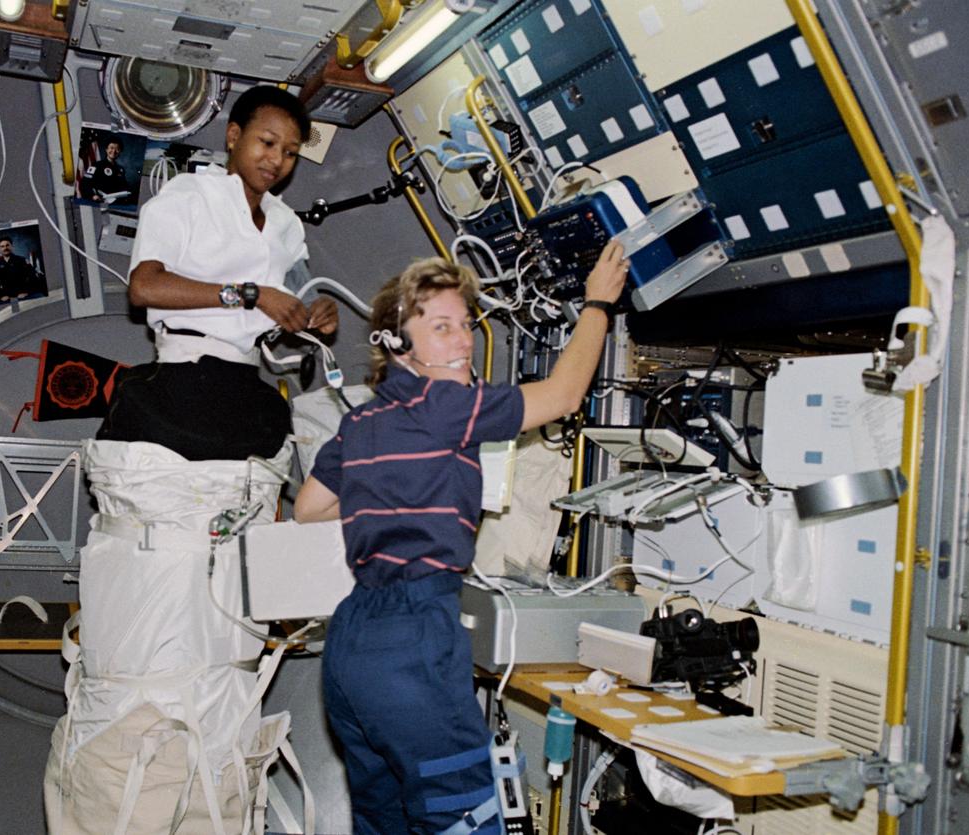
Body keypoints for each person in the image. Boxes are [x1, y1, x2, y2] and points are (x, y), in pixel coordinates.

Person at [293, 244, 628, 833]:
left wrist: (392, 488)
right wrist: (598, 302)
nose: (463, 341)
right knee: (464, 818)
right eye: (440, 328)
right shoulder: (448, 405)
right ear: (397, 344)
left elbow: (309, 508)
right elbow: (564, 395)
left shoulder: (362, 421)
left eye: (466, 326)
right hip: (414, 639)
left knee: (385, 820)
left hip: (352, 646)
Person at [109, 84, 338, 459]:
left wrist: (318, 312)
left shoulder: (287, 224)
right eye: (267, 142)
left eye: (290, 153)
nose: (276, 160)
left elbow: (304, 292)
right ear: (234, 136)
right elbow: (144, 287)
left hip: (245, 381)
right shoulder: (189, 195)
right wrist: (253, 294)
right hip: (182, 375)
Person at [82, 139, 130, 204]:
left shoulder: (120, 169)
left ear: (120, 152)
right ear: (106, 149)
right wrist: (92, 196)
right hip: (101, 201)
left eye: (117, 149)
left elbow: (124, 186)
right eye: (111, 148)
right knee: (103, 214)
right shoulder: (96, 165)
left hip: (117, 202)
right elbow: (85, 183)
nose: (114, 151)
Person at [0, 237, 33, 301]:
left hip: (23, 294)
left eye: (7, 245)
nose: (5, 248)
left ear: (11, 246)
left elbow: (32, 278)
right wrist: (1, 295)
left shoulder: (22, 260)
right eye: (2, 246)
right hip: (5, 297)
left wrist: (26, 292)